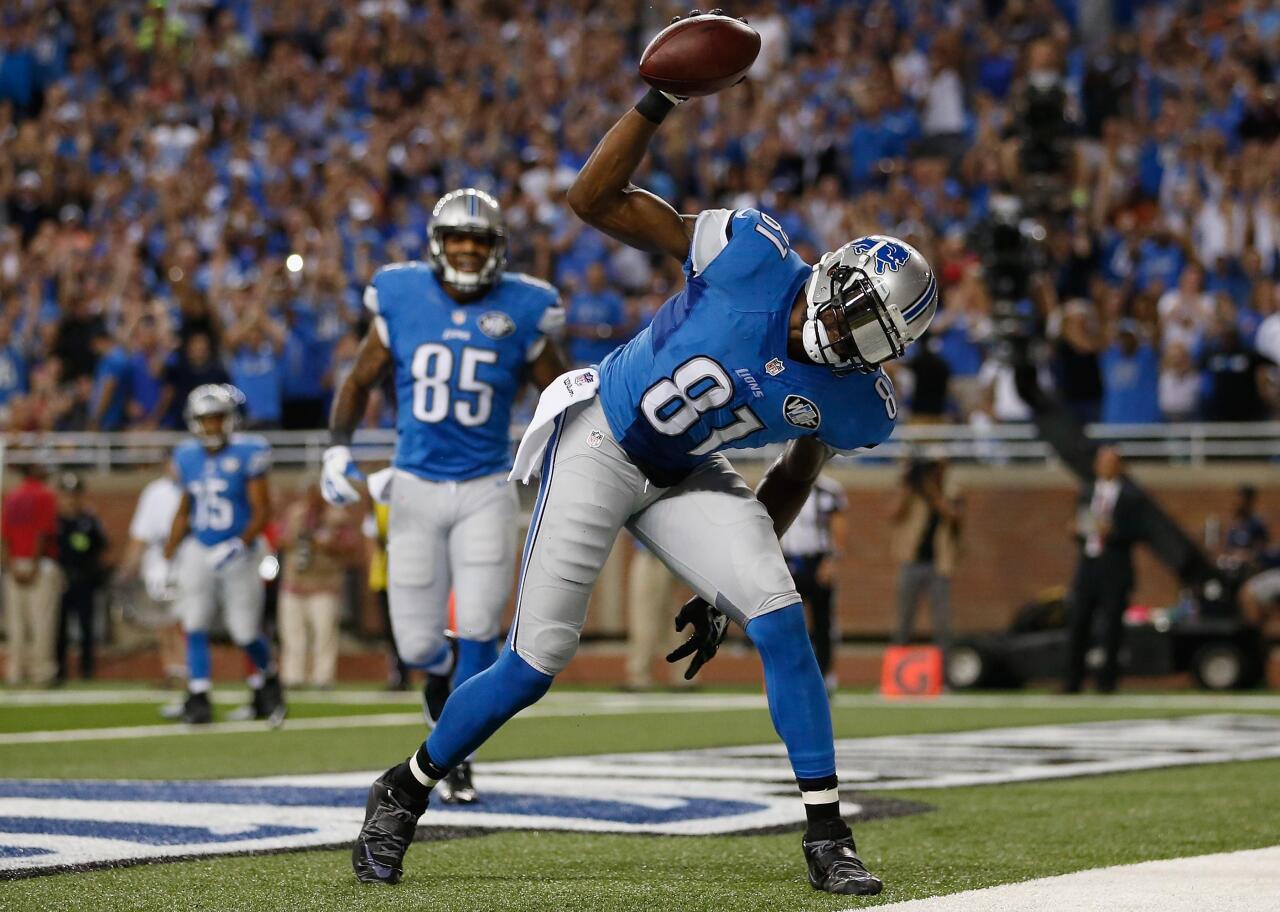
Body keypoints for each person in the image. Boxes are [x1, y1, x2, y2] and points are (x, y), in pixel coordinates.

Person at [348, 73, 937, 897]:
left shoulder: (856, 402)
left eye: (874, 340)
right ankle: (404, 788)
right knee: (533, 664)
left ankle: (828, 836)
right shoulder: (750, 252)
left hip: (689, 472)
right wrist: (659, 99)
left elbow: (798, 468)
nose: (849, 343)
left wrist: (725, 594)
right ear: (832, 279)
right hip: (603, 440)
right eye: (852, 318)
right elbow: (593, 199)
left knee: (779, 616)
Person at [322, 188, 567, 803]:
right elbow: (360, 378)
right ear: (437, 244)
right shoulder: (400, 294)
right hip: (414, 486)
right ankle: (443, 683)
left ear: (496, 249)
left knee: (480, 623)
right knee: (416, 646)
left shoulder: (525, 306)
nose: (466, 250)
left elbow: (561, 393)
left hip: (485, 485)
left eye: (478, 241)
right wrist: (337, 447)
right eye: (456, 238)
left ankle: (457, 753)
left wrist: (566, 459)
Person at [162, 384, 283, 725]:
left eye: (218, 418)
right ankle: (198, 695)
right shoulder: (187, 455)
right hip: (200, 546)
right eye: (206, 420)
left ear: (231, 419)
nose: (212, 426)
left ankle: (269, 679)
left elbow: (263, 510)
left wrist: (239, 544)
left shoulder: (249, 451)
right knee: (194, 622)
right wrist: (167, 554)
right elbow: (185, 509)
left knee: (244, 631)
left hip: (239, 549)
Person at [1062, 446, 1143, 694]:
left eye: (1110, 462)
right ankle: (1073, 682)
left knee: (1112, 627)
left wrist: (1114, 531)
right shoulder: (1087, 491)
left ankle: (1107, 683)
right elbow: (1082, 524)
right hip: (1089, 564)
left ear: (1119, 466)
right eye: (1101, 462)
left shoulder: (1131, 496)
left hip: (1115, 566)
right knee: (1078, 622)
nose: (1104, 467)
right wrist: (1075, 530)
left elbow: (1139, 530)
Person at [277, 482, 360, 689]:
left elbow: (352, 547)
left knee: (324, 634)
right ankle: (293, 677)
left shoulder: (337, 517)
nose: (313, 499)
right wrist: (295, 538)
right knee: (292, 634)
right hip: (294, 581)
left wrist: (329, 545)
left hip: (325, 583)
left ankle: (323, 678)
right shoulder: (295, 513)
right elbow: (280, 540)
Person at [117, 464, 186, 686]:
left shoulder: (197, 486)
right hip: (158, 564)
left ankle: (189, 669)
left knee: (185, 619)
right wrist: (128, 567)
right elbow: (141, 533)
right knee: (163, 621)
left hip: (188, 560)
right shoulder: (155, 492)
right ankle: (173, 670)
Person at [780, 474, 848, 693]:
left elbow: (838, 528)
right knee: (787, 622)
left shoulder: (828, 490)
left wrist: (831, 561)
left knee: (823, 623)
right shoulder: (780, 483)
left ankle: (825, 674)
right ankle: (788, 676)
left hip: (817, 561)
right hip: (787, 560)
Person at [890, 452, 962, 654]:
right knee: (904, 617)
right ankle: (897, 663)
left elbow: (954, 516)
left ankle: (946, 668)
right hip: (912, 560)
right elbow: (895, 514)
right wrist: (908, 484)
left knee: (942, 619)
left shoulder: (951, 491)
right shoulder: (912, 490)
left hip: (939, 563)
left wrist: (931, 490)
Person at [1, 463, 60, 686]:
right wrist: (34, 564)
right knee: (41, 621)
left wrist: (9, 565)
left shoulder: (12, 496)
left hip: (14, 564)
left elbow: (4, 535)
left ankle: (15, 672)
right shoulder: (44, 495)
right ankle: (41, 672)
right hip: (38, 564)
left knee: (15, 622)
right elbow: (42, 532)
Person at [54, 472, 108, 682]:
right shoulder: (55, 521)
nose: (70, 499)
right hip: (60, 580)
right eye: (67, 494)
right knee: (59, 629)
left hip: (84, 581)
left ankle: (87, 671)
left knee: (87, 628)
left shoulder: (90, 521)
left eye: (74, 494)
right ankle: (59, 670)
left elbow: (102, 547)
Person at [624, 540, 683, 691]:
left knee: (644, 614)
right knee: (669, 617)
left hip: (652, 555)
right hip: (668, 555)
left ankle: (639, 675)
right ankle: (685, 674)